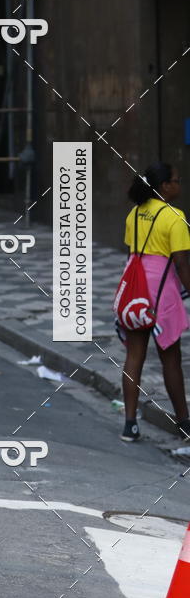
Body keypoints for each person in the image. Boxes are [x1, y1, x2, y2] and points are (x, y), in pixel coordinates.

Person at [119, 163, 190, 442]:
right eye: (176, 179)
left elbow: (132, 252)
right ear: (164, 187)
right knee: (171, 359)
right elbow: (182, 263)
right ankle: (184, 422)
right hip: (163, 293)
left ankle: (130, 424)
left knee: (134, 357)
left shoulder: (134, 214)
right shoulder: (175, 217)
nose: (179, 183)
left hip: (135, 292)